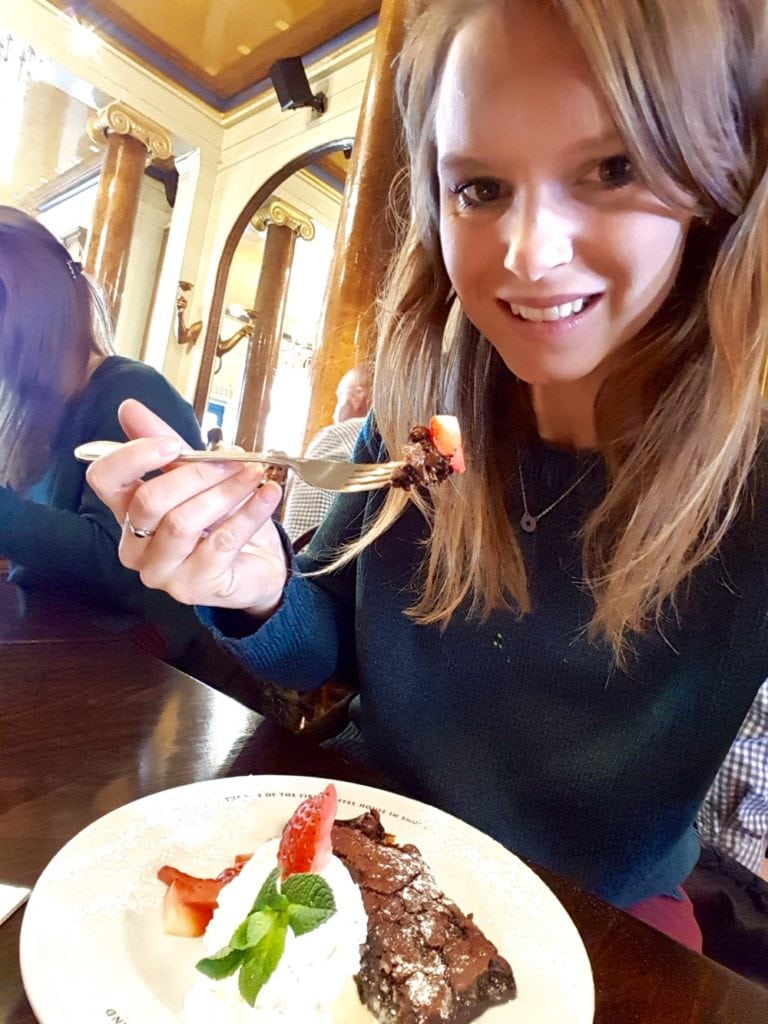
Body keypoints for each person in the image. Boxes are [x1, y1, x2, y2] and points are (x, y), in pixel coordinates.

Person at [87, 0, 768, 956]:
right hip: (371, 835)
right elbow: (331, 651)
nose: (529, 254)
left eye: (612, 170)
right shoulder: (432, 419)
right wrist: (255, 585)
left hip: (601, 916)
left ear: (724, 177)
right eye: (480, 188)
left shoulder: (750, 475)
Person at [0, 206, 206, 663]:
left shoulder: (130, 390)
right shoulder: (35, 414)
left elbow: (120, 563)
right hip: (58, 645)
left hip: (135, 664)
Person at [282, 365, 373, 541]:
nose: (334, 411)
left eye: (339, 396)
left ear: (359, 396)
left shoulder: (336, 438)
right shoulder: (415, 446)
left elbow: (301, 541)